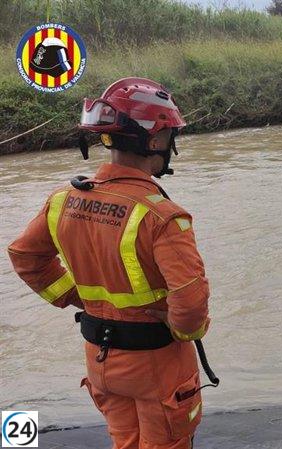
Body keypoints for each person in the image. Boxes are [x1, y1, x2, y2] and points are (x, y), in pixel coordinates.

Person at [7, 78, 211, 449]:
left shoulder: (63, 200)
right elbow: (191, 306)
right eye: (168, 136)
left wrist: (76, 297)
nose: (170, 145)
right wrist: (181, 329)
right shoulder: (163, 216)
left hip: (100, 360)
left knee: (124, 442)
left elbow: (25, 256)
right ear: (153, 141)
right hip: (157, 364)